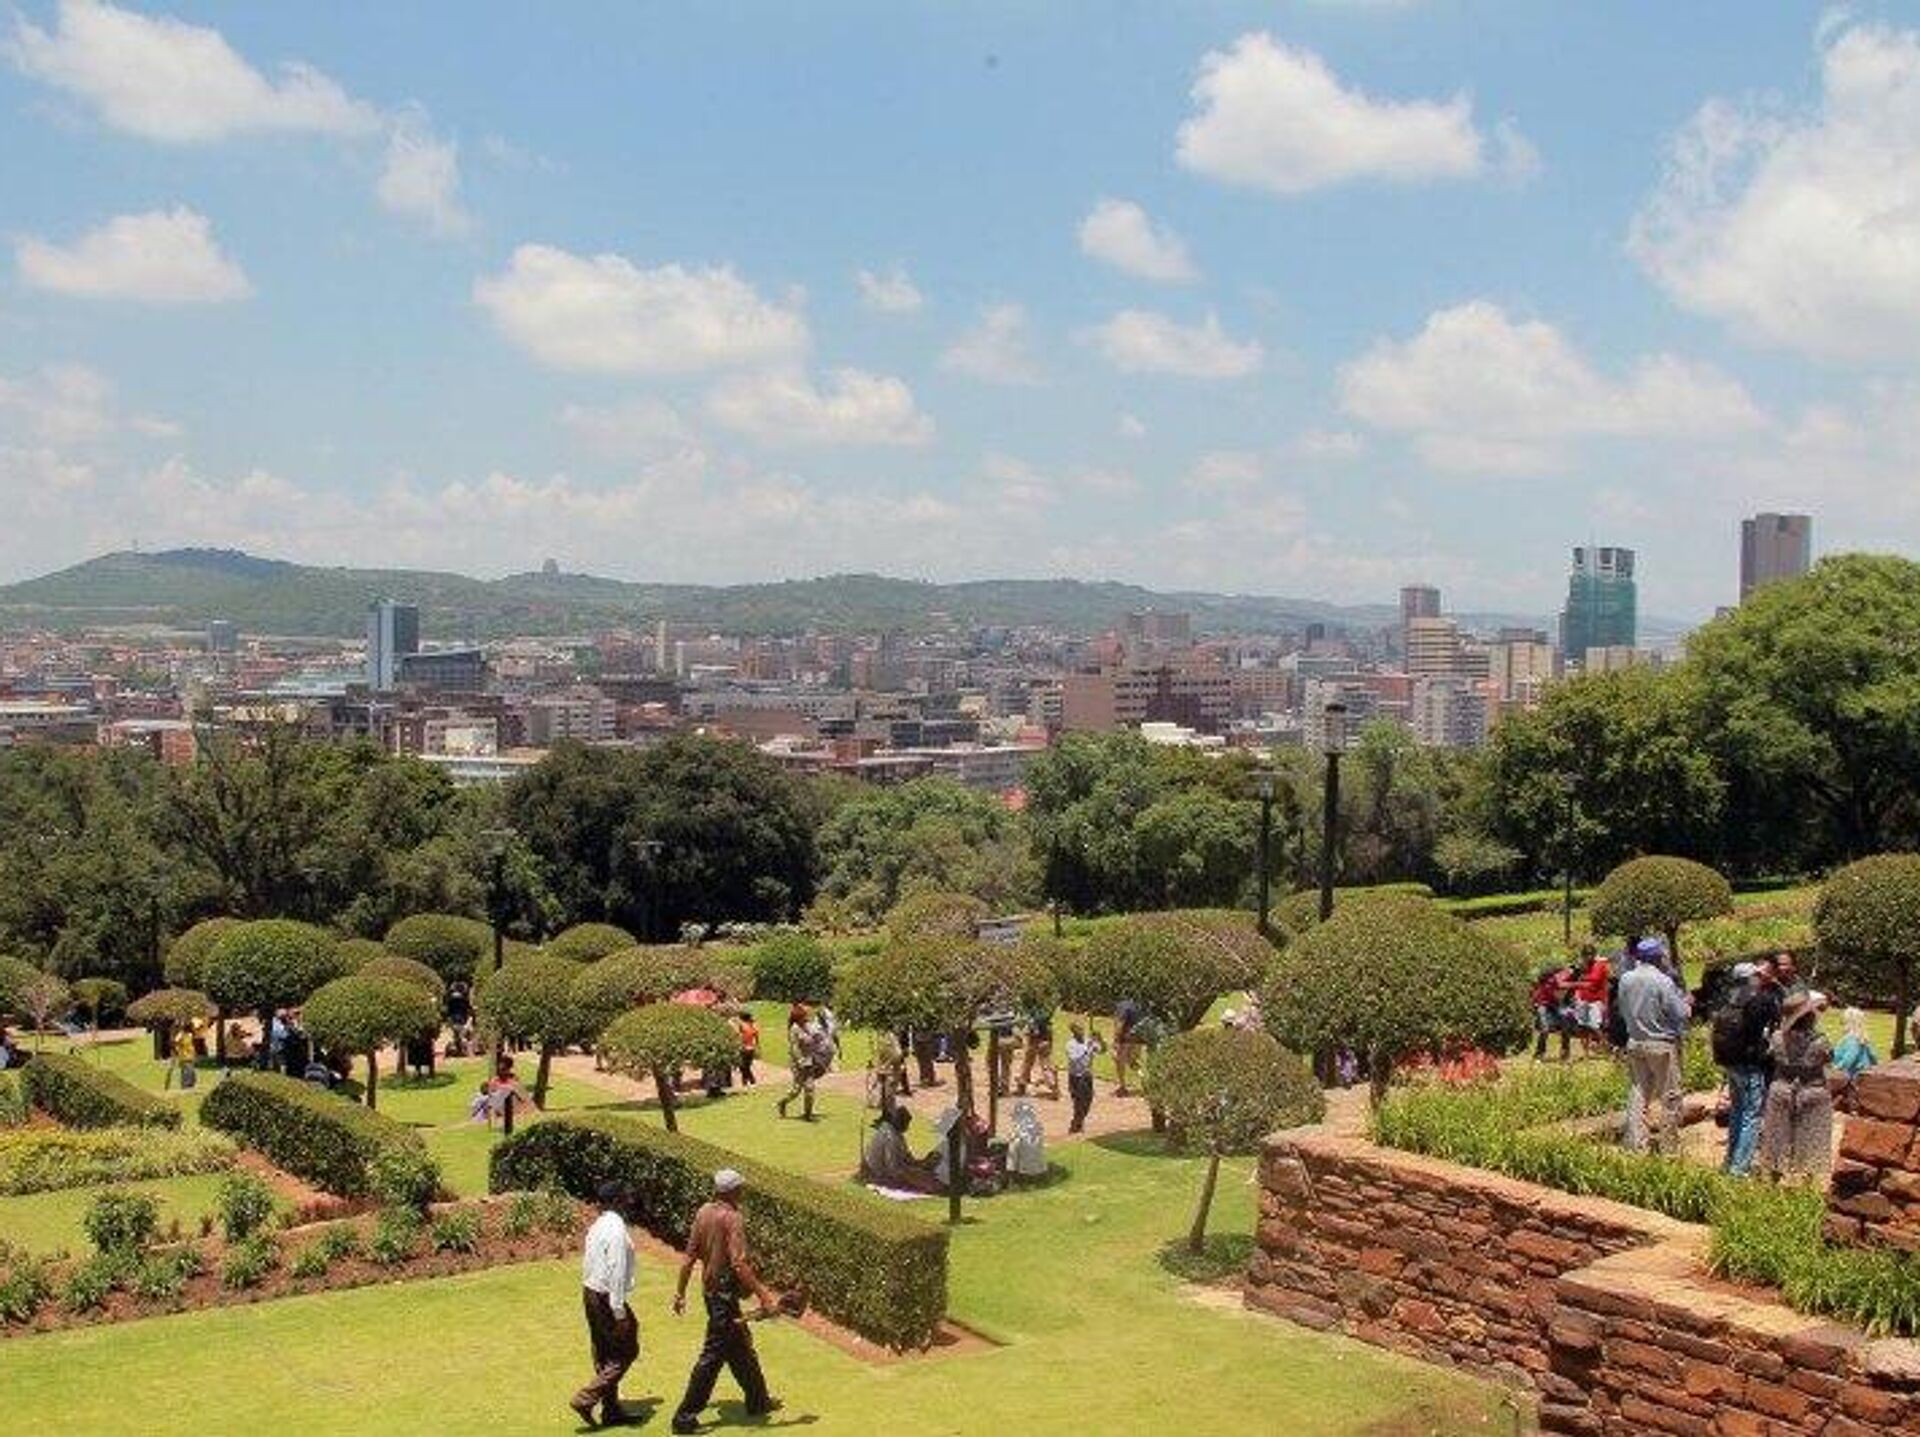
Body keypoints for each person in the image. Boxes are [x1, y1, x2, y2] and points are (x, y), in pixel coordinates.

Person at [670, 1169, 783, 1435]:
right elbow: (738, 1263)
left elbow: (689, 1257)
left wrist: (680, 1293)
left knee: (740, 1348)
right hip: (724, 1297)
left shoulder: (703, 1212)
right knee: (712, 1356)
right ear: (732, 1191)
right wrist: (764, 1295)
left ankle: (758, 1400)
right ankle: (684, 1417)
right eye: (740, 1188)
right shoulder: (732, 1218)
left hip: (712, 1294)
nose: (742, 1192)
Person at [572, 1180, 640, 1428]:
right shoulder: (616, 1229)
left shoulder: (598, 1225)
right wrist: (619, 1312)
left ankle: (611, 1410)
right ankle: (586, 1398)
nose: (629, 1202)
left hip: (591, 1292)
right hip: (606, 1296)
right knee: (627, 1350)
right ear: (616, 1202)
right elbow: (616, 1271)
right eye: (624, 1199)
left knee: (604, 1352)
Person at [1617, 940, 1689, 1154]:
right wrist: (1687, 1004)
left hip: (1635, 1041)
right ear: (1658, 957)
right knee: (1670, 1095)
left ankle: (1635, 1144)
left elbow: (1622, 1009)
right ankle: (1669, 1146)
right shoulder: (1662, 981)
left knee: (1638, 1092)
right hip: (1660, 1044)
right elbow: (1679, 1013)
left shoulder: (1626, 979)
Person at [1758, 991, 1835, 1181]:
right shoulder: (1820, 1041)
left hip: (1781, 1089)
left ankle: (1773, 1180)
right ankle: (1807, 1182)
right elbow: (1829, 1059)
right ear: (1809, 1017)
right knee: (1812, 1137)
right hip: (1812, 1090)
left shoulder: (1777, 1037)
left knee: (1777, 1136)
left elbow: (1770, 1056)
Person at [1718, 960, 1782, 1176]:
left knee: (1737, 1111)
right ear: (1749, 978)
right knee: (1751, 1116)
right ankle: (1740, 1168)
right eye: (1756, 975)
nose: (1759, 978)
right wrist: (1773, 984)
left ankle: (1730, 1162)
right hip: (1750, 1064)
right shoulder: (1760, 999)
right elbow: (1778, 1018)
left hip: (1730, 1063)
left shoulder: (1729, 998)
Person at [861, 1107, 943, 1193]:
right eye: (906, 1123)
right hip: (879, 1175)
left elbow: (907, 1159)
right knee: (930, 1182)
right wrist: (918, 1176)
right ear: (899, 1121)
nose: (907, 1127)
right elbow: (894, 1169)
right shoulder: (890, 1136)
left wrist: (924, 1162)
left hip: (891, 1171)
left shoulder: (896, 1134)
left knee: (926, 1176)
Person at [777, 1004, 823, 1121]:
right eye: (805, 1014)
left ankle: (807, 1114)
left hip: (810, 1061)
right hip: (798, 1063)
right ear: (799, 1016)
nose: (807, 1016)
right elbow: (794, 1047)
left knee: (810, 1088)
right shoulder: (794, 1029)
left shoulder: (808, 1026)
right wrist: (800, 1060)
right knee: (796, 1090)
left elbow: (815, 1038)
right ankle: (782, 1103)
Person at [1065, 1021, 1105, 1134]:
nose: (1082, 1031)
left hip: (1087, 1077)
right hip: (1075, 1078)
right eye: (1079, 1029)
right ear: (1073, 1031)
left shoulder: (1089, 1041)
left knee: (1088, 1101)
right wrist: (1087, 1048)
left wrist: (1100, 1039)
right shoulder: (1070, 1044)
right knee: (1078, 1102)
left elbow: (1103, 1051)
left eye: (1082, 1029)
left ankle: (1078, 1122)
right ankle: (1076, 1125)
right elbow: (1074, 1058)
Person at [1530, 964, 1574, 1062]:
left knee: (1566, 1027)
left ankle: (1565, 1053)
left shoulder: (1561, 980)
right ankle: (1539, 1054)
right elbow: (1558, 995)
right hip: (1543, 1004)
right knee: (1545, 1029)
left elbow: (1561, 997)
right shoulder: (1552, 980)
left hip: (1554, 1004)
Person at [1015, 1004, 1058, 1099]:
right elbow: (1049, 1035)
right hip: (1045, 1042)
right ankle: (1054, 1088)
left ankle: (1021, 1087)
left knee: (1027, 1064)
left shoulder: (1034, 1017)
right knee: (1045, 1066)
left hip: (1035, 1043)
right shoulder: (1046, 1018)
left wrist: (1028, 1036)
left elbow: (1033, 1032)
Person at [1834, 1007, 1878, 1095]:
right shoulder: (1863, 1040)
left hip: (1850, 1082)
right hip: (1861, 1080)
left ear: (1849, 1023)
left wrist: (1835, 1069)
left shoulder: (1852, 1040)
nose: (1841, 1024)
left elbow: (1848, 1060)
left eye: (1843, 1022)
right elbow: (1874, 1059)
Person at [1572, 945, 1610, 1047]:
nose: (1588, 957)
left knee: (1594, 1025)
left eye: (1590, 955)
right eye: (1586, 955)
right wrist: (1577, 994)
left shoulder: (1601, 965)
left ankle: (1605, 1045)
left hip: (1596, 1000)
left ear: (1594, 955)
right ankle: (1585, 1049)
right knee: (1582, 1025)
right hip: (1582, 998)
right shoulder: (1582, 966)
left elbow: (1599, 980)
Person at [1007, 1097, 1047, 1180]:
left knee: (1013, 1148)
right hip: (1039, 1166)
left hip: (1023, 1167)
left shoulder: (1018, 1131)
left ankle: (1017, 1175)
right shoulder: (1038, 1128)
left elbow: (1013, 1152)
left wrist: (1010, 1168)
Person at [1113, 998, 1143, 1096]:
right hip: (1138, 1038)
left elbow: (1120, 1024)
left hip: (1126, 1039)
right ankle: (1143, 1077)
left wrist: (1116, 1040)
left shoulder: (1122, 1006)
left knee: (1118, 1060)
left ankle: (1122, 1087)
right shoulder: (1137, 1006)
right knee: (1131, 1061)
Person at [165, 1019, 197, 1091]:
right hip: (184, 1055)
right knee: (186, 1071)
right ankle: (185, 1085)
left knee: (191, 1071)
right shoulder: (181, 1034)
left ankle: (191, 1085)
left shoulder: (190, 1034)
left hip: (191, 1055)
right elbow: (174, 1042)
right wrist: (176, 1049)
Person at [735, 1011, 759, 1087]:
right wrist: (757, 1046)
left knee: (743, 1066)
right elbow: (756, 1036)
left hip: (744, 1048)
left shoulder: (742, 1025)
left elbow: (739, 1036)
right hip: (751, 1048)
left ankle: (751, 1081)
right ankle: (746, 1082)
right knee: (746, 1066)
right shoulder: (752, 1026)